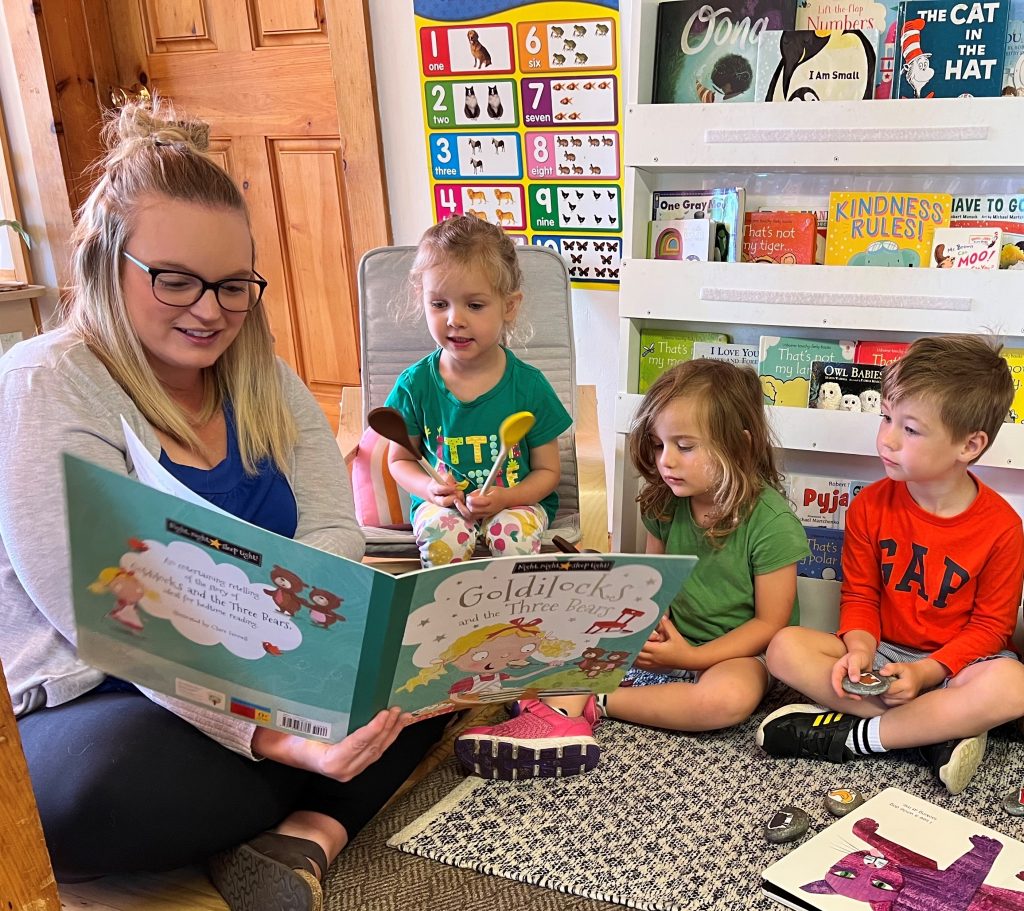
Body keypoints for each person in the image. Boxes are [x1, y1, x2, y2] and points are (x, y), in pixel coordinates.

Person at [0, 99, 446, 911]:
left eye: (233, 286)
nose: (209, 310)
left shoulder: (263, 376)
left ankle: (307, 834)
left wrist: (317, 672)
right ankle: (319, 800)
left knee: (426, 681)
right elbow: (106, 612)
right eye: (175, 281)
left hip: (276, 667)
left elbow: (332, 531)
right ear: (108, 263)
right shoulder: (47, 380)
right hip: (105, 690)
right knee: (105, 790)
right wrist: (280, 738)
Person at [455, 359, 811, 780]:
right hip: (674, 636)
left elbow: (770, 624)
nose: (666, 462)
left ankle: (594, 703)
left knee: (727, 701)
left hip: (743, 652)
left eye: (685, 446)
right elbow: (653, 583)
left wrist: (692, 657)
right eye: (659, 445)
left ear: (742, 445)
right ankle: (550, 719)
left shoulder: (771, 523)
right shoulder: (664, 501)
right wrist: (651, 625)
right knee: (569, 637)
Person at [757, 335, 1024, 796]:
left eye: (912, 429)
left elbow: (991, 629)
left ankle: (859, 738)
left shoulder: (1002, 527)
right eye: (885, 416)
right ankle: (932, 736)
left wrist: (927, 673)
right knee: (783, 648)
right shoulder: (869, 507)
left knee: (1013, 686)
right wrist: (858, 649)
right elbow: (861, 596)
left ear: (970, 445)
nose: (888, 438)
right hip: (884, 656)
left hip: (957, 667)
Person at [384, 215, 572, 566]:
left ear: (509, 306)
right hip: (443, 507)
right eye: (439, 304)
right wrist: (429, 490)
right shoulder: (415, 385)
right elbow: (400, 460)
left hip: (515, 504)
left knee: (512, 538)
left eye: (475, 305)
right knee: (444, 537)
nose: (455, 319)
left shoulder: (529, 387)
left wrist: (508, 498)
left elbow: (547, 472)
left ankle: (514, 616)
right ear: (421, 299)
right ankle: (447, 614)